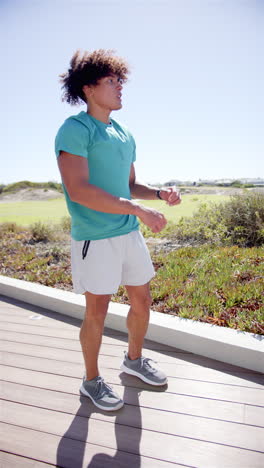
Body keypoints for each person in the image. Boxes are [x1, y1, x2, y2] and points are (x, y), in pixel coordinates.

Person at [55, 49, 181, 411]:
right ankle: (91, 381)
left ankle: (133, 360)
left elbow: (129, 186)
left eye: (120, 80)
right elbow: (79, 189)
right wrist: (136, 208)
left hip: (128, 233)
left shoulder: (124, 133)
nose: (120, 86)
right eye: (111, 81)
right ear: (88, 87)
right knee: (97, 311)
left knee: (142, 300)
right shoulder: (75, 129)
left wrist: (157, 194)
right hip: (95, 238)